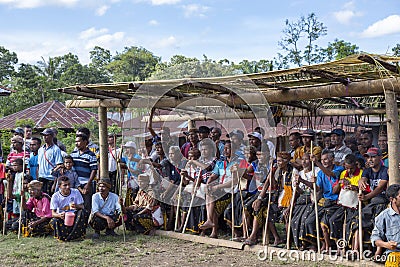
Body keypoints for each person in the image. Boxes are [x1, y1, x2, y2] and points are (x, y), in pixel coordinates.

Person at [305, 150, 344, 251]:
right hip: (324, 201)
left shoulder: (339, 169)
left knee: (325, 224)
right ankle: (321, 243)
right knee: (309, 221)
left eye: (326, 159)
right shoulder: (321, 173)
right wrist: (306, 182)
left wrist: (316, 162)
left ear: (332, 159)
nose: (324, 162)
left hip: (336, 202)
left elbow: (331, 174)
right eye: (322, 160)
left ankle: (329, 246)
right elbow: (317, 188)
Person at [291, 153, 320, 250]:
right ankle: (301, 243)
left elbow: (316, 188)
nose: (303, 162)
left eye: (306, 159)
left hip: (313, 200)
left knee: (305, 220)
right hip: (302, 201)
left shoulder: (317, 171)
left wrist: (303, 181)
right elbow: (300, 191)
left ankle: (312, 243)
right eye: (302, 159)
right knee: (295, 220)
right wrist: (298, 185)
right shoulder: (300, 173)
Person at [50, 176, 88, 241]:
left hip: (75, 216)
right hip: (63, 217)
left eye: (69, 184)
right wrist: (59, 215)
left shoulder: (75, 192)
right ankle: (64, 236)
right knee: (54, 221)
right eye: (65, 185)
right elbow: (53, 213)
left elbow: (82, 206)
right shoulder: (55, 196)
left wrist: (76, 206)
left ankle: (77, 235)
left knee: (83, 212)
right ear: (59, 186)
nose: (67, 187)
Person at [371, 184, 400, 265]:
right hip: (394, 253)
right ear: (392, 199)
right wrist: (386, 244)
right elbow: (375, 238)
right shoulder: (383, 216)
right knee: (393, 261)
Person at [70, 133, 98, 211]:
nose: (76, 144)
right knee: (74, 205)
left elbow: (94, 170)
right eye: (75, 142)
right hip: (75, 184)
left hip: (85, 183)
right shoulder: (73, 154)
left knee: (86, 205)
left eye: (78, 141)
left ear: (85, 142)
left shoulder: (91, 155)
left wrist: (88, 184)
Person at [37, 128, 63, 195]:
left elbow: (59, 164)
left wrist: (55, 180)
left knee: (49, 197)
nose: (44, 137)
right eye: (43, 135)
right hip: (41, 177)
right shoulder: (40, 150)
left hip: (50, 178)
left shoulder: (56, 149)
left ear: (51, 136)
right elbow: (38, 165)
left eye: (47, 135)